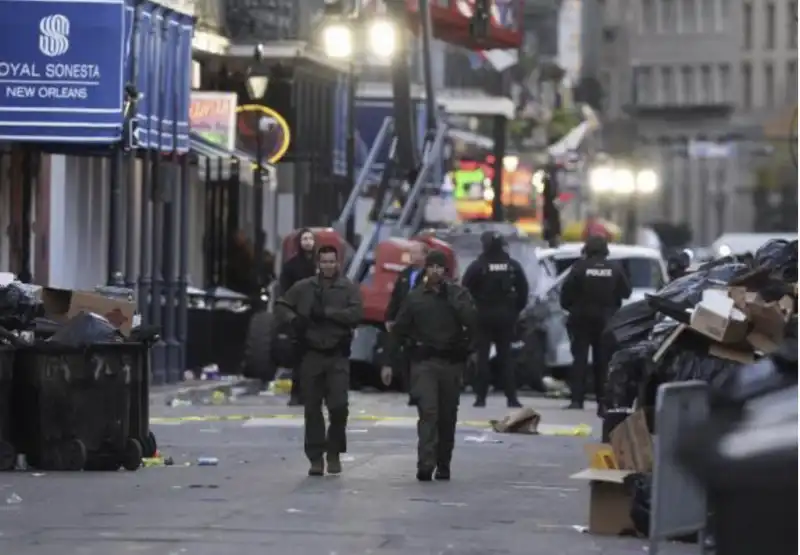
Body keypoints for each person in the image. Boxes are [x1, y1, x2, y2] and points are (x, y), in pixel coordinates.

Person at [275, 245, 363, 476]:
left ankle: (333, 452)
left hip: (337, 355)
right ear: (318, 264)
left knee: (339, 407)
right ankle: (316, 458)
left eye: (331, 261)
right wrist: (294, 320)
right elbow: (281, 305)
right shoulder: (304, 287)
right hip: (311, 353)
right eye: (323, 262)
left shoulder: (347, 288)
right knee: (312, 408)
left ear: (338, 263)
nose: (328, 266)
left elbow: (356, 314)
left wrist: (330, 314)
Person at [391, 250, 477, 481]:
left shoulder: (458, 294)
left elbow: (472, 321)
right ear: (426, 269)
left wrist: (454, 300)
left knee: (447, 416)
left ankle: (443, 463)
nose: (436, 271)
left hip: (451, 363)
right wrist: (391, 361)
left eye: (440, 267)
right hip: (424, 363)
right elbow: (399, 329)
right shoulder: (415, 297)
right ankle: (425, 464)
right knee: (428, 412)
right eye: (432, 267)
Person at [559, 235, 631, 415]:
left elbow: (565, 296)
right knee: (603, 362)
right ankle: (603, 402)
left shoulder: (578, 268)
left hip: (581, 320)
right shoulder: (615, 268)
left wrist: (574, 308)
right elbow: (626, 292)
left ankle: (577, 400)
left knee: (579, 360)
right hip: (605, 321)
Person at [461, 231, 529, 408]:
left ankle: (480, 397)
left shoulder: (478, 266)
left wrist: (470, 314)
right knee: (505, 356)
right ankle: (511, 398)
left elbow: (464, 291)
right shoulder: (512, 266)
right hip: (506, 317)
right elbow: (524, 291)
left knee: (482, 357)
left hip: (482, 317)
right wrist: (514, 311)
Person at [383, 241, 428, 405]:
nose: (413, 256)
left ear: (424, 255)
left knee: (420, 359)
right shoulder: (404, 274)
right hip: (404, 320)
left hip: (422, 322)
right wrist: (389, 317)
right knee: (406, 357)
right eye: (411, 253)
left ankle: (420, 392)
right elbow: (395, 298)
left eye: (417, 253)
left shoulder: (430, 275)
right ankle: (411, 392)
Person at [279, 228, 318, 406]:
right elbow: (285, 292)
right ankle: (297, 394)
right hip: (299, 316)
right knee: (299, 357)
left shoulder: (321, 264)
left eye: (310, 238)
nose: (308, 242)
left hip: (318, 316)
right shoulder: (291, 266)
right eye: (305, 238)